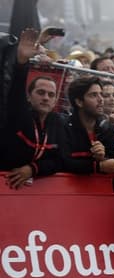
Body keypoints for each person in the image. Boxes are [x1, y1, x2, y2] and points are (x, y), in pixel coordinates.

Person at [0, 28, 64, 189]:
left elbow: (61, 159)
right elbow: (16, 90)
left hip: (36, 195)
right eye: (40, 93)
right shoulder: (19, 114)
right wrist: (21, 62)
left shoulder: (59, 123)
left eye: (51, 95)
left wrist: (32, 169)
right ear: (29, 96)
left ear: (56, 100)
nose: (45, 98)